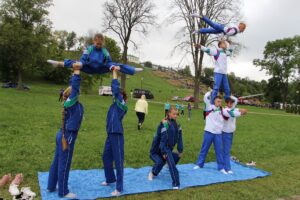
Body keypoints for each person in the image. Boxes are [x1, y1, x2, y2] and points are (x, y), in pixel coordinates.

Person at [47, 66, 84, 199]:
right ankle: (63, 191)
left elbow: (72, 85)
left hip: (61, 134)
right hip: (67, 137)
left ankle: (51, 186)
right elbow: (75, 85)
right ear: (74, 93)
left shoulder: (69, 101)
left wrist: (73, 71)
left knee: (57, 161)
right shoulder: (72, 102)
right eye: (77, 90)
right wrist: (77, 72)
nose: (79, 91)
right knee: (64, 164)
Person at [47, 33, 143, 75]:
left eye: (100, 44)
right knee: (74, 63)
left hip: (101, 68)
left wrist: (111, 67)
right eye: (97, 44)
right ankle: (58, 63)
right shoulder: (89, 49)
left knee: (117, 65)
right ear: (94, 41)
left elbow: (109, 62)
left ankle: (132, 70)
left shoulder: (105, 51)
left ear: (103, 43)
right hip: (88, 67)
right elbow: (83, 58)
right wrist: (80, 63)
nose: (99, 46)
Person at [101, 67, 128, 196]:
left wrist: (114, 73)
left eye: (117, 93)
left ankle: (119, 188)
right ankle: (110, 178)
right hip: (110, 133)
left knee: (118, 160)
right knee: (106, 157)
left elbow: (115, 89)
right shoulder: (114, 104)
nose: (114, 94)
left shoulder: (122, 104)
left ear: (121, 96)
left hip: (117, 134)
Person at [148, 107, 183, 189]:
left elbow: (180, 138)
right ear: (169, 114)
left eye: (176, 114)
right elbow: (163, 140)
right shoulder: (165, 124)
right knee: (165, 163)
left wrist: (180, 149)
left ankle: (167, 164)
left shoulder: (177, 125)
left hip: (166, 149)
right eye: (174, 114)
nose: (176, 116)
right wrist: (163, 152)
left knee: (177, 156)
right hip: (157, 151)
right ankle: (153, 173)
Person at [194, 91, 227, 174]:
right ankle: (199, 164)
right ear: (214, 101)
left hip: (218, 134)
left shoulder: (223, 110)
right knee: (204, 148)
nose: (219, 103)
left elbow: (232, 112)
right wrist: (211, 91)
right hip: (208, 132)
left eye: (220, 101)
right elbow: (205, 97)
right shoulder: (209, 107)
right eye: (218, 101)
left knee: (219, 150)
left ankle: (221, 167)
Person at [222, 96, 247, 174]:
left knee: (226, 150)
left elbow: (236, 108)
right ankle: (227, 168)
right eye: (230, 103)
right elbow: (233, 114)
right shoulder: (225, 110)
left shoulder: (232, 109)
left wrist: (241, 110)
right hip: (225, 133)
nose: (231, 104)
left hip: (230, 133)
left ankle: (223, 164)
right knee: (226, 151)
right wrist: (241, 112)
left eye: (232, 103)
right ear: (226, 103)